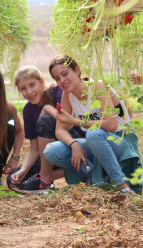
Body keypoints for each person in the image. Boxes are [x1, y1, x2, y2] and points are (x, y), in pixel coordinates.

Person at [43, 55, 141, 194]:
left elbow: (111, 125)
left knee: (93, 134)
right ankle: (93, 179)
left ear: (77, 70)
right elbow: (60, 130)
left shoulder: (97, 86)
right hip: (97, 143)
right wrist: (73, 144)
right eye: (57, 78)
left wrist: (76, 121)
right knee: (50, 151)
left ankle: (122, 185)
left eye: (65, 74)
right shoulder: (67, 95)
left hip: (121, 141)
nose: (62, 80)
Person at [8, 65, 85, 194]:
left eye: (32, 85)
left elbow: (67, 122)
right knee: (13, 179)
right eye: (23, 89)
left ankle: (46, 179)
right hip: (49, 155)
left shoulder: (57, 92)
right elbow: (35, 149)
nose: (29, 91)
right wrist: (23, 170)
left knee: (45, 120)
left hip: (73, 143)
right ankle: (50, 180)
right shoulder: (28, 110)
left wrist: (47, 108)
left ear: (42, 81)